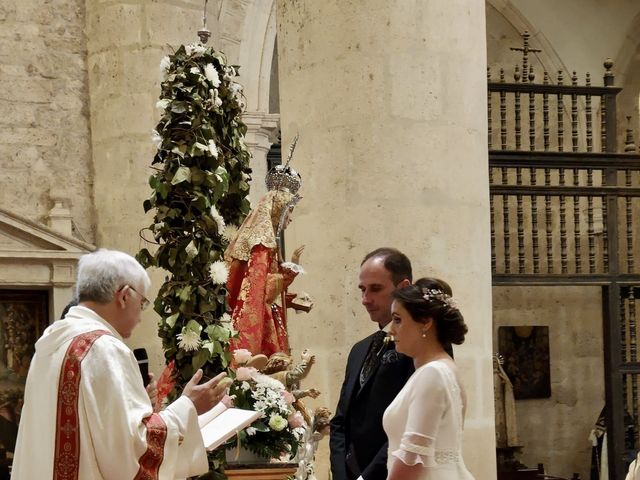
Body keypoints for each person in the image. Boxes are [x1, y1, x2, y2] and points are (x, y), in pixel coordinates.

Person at [12, 248, 229, 480]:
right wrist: (189, 406)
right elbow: (132, 453)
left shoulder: (51, 345)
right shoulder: (105, 349)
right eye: (143, 303)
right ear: (124, 296)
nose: (140, 316)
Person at [330, 248, 415, 480]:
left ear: (403, 287)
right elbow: (340, 421)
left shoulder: (419, 348)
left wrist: (367, 478)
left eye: (375, 289)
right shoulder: (358, 350)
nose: (365, 299)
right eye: (362, 289)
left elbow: (411, 427)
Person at [383, 278, 473, 479]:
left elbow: (411, 460)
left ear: (425, 323)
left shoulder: (432, 374)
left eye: (398, 319)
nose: (392, 329)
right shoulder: (447, 368)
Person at [225, 163, 304, 357]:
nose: (290, 218)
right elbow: (259, 291)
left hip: (268, 315)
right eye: (290, 210)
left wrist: (293, 299)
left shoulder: (266, 240)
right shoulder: (262, 244)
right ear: (279, 208)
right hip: (261, 323)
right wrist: (288, 272)